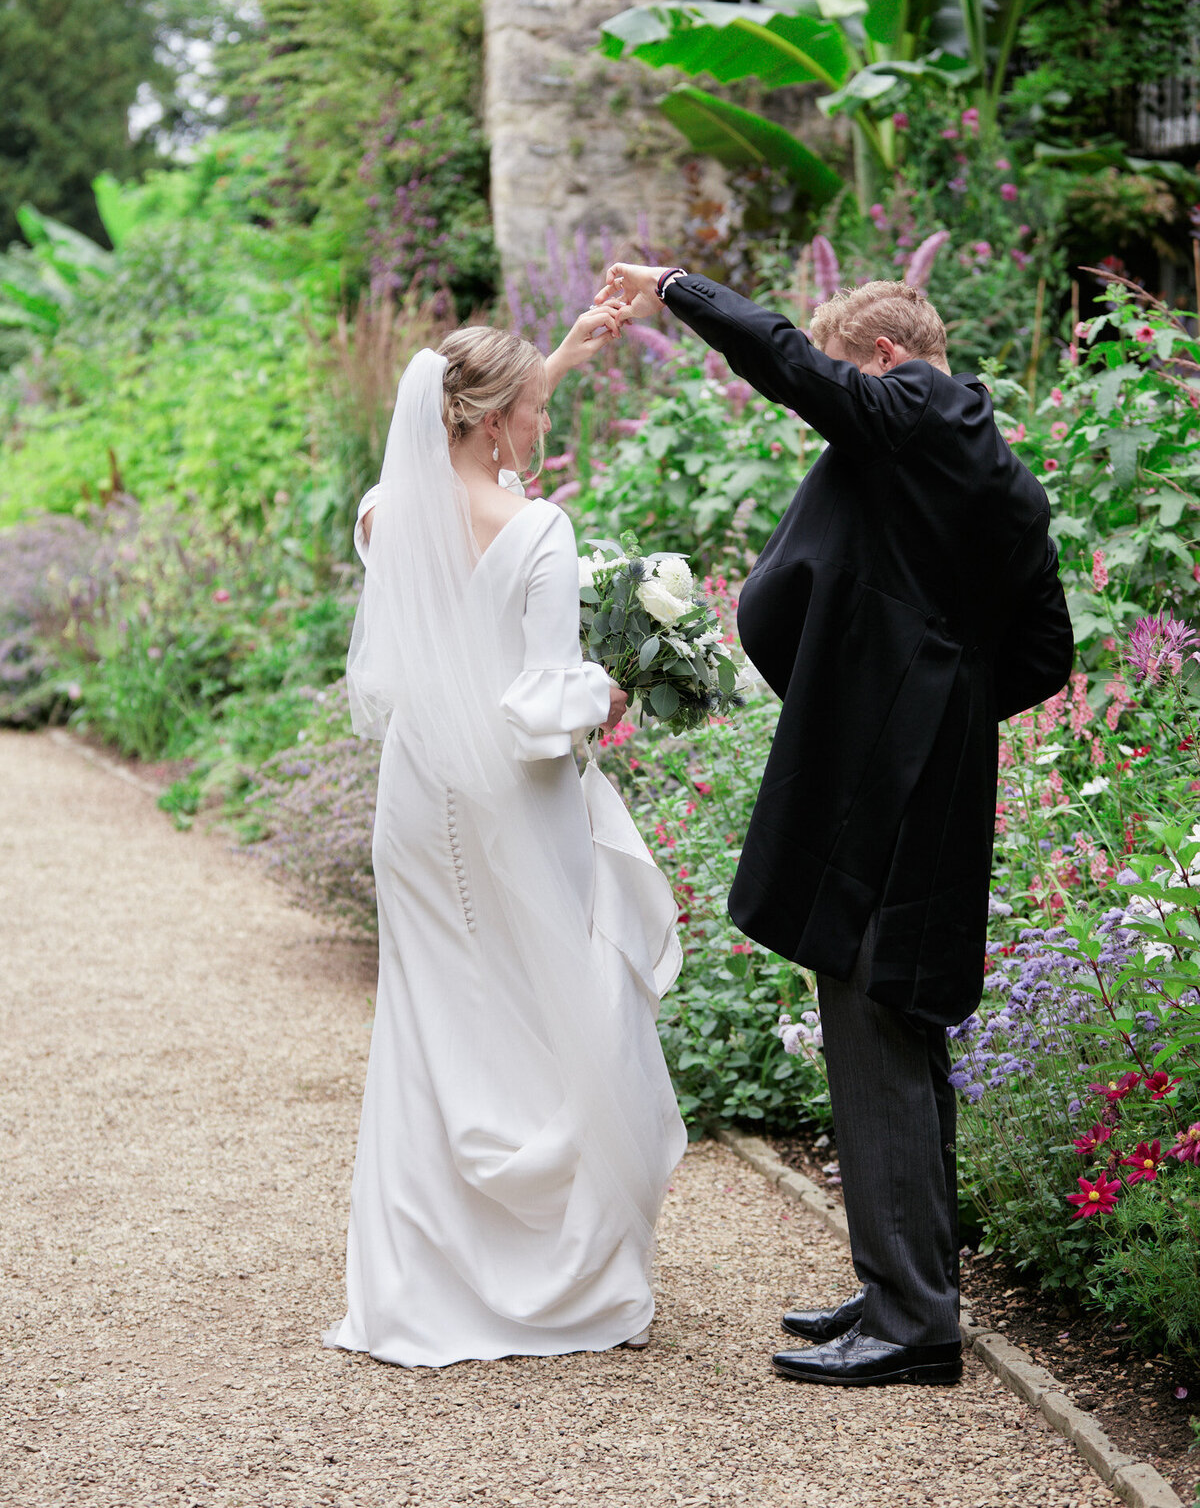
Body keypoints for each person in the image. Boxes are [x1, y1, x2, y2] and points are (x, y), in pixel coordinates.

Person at [598, 263, 1074, 1388]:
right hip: (930, 758)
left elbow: (794, 371)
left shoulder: (929, 409)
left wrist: (680, 288)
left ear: (884, 362)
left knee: (871, 1009)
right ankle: (906, 1286)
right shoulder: (996, 474)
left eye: (849, 378)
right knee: (893, 1012)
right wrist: (946, 699)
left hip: (891, 770)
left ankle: (914, 1326)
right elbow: (1045, 654)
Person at [325, 307, 687, 1368]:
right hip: (513, 797)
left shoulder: (385, 513)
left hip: (419, 795)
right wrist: (614, 690)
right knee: (556, 1001)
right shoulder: (542, 531)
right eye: (534, 411)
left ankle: (419, 1281)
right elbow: (542, 707)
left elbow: (468, 479)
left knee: (432, 1016)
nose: (543, 425)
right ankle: (559, 1274)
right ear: (492, 423)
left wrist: (559, 357)